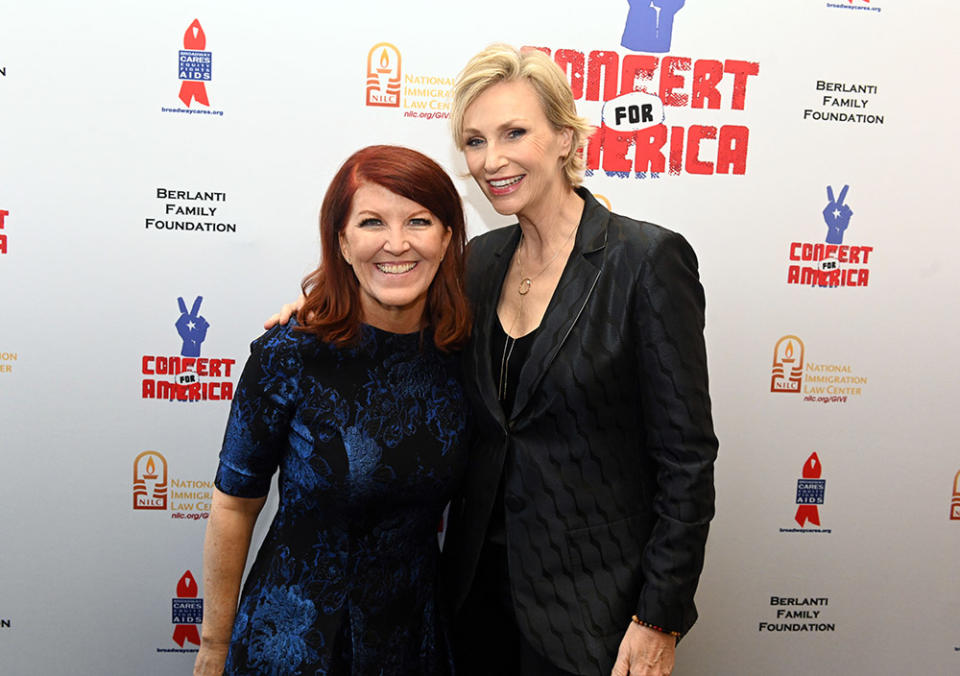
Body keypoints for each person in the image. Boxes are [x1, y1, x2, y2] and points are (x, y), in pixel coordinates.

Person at [269, 45, 718, 676]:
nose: (492, 160)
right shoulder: (480, 261)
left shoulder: (644, 262)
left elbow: (686, 461)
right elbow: (391, 314)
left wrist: (659, 617)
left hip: (595, 608)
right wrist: (317, 311)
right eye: (475, 141)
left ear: (564, 137)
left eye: (515, 133)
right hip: (472, 596)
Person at [194, 145, 471, 676]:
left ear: (447, 239)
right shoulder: (288, 354)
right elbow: (234, 505)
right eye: (372, 222)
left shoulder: (464, 356)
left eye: (419, 220)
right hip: (295, 643)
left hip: (414, 642)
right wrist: (213, 644)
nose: (397, 243)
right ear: (342, 242)